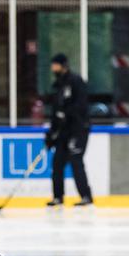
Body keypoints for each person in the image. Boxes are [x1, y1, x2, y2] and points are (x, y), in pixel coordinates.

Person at [45, 53, 93, 207]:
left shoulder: (76, 81)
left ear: (62, 65)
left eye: (55, 65)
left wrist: (68, 113)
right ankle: (58, 197)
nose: (53, 68)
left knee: (75, 160)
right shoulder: (58, 85)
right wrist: (51, 134)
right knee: (57, 163)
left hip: (78, 130)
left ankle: (86, 196)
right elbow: (55, 112)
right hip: (63, 132)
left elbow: (82, 106)